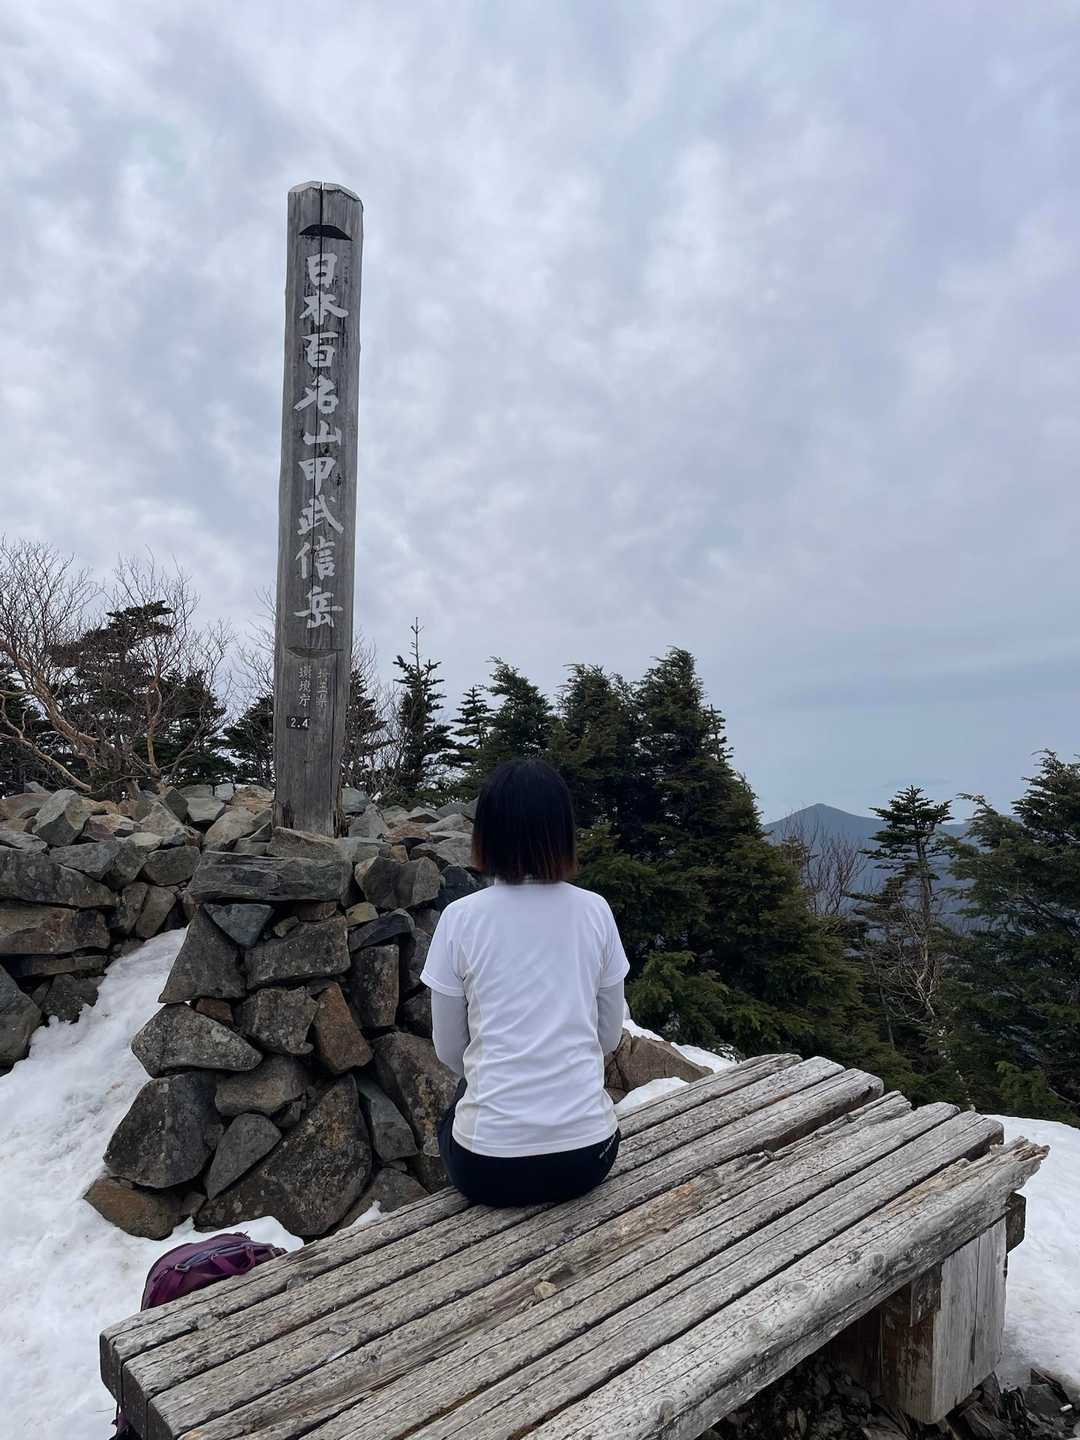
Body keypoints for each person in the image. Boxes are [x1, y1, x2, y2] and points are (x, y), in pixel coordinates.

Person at [420, 757, 629, 1207]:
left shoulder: (460, 918)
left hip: (486, 1170)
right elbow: (608, 1035)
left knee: (461, 1101)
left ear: (486, 834)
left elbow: (449, 1048)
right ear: (563, 832)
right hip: (588, 1157)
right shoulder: (595, 911)